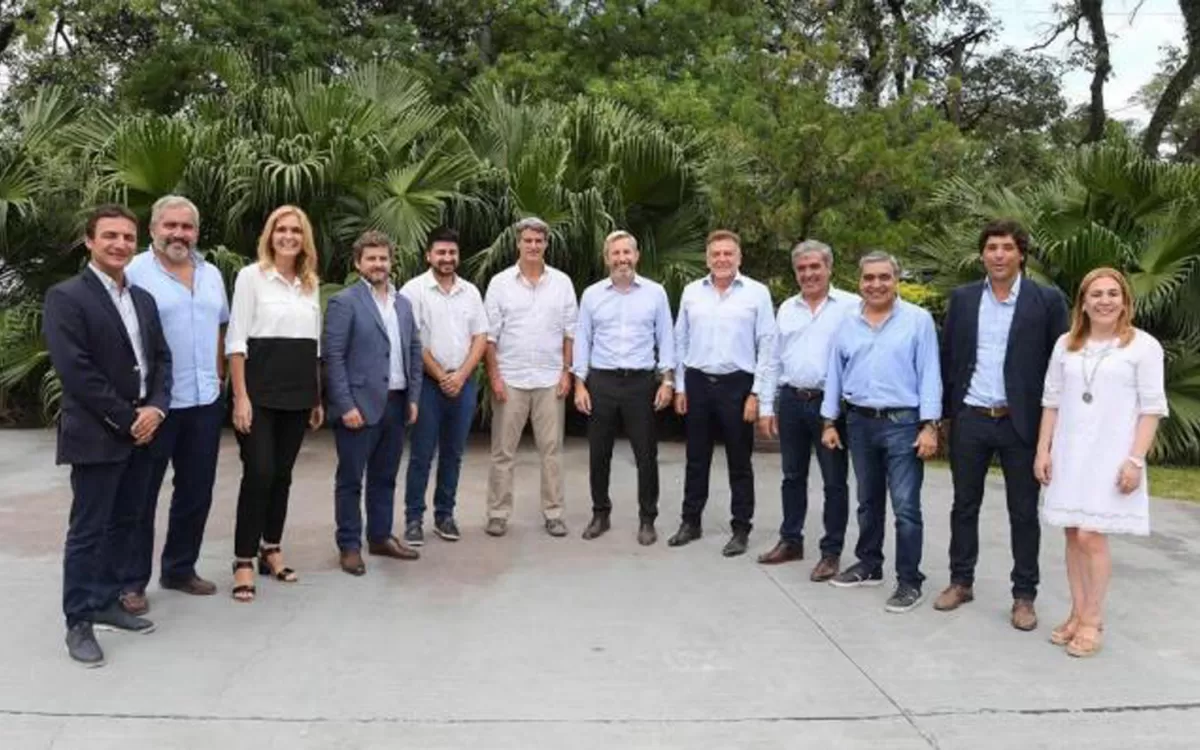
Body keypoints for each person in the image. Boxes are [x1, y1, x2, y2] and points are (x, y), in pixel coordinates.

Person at [43, 204, 172, 666]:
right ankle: (78, 619)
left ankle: (106, 600)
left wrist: (156, 407)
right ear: (89, 241)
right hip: (99, 434)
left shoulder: (143, 300)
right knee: (88, 530)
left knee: (126, 523)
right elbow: (77, 372)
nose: (120, 244)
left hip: (144, 431)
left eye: (127, 237)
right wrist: (127, 418)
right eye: (110, 236)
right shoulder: (66, 297)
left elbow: (161, 360)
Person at [935, 220, 1069, 631]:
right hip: (972, 417)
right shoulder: (963, 299)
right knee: (964, 505)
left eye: (1007, 248)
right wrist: (942, 417)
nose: (998, 255)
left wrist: (1055, 430)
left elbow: (1059, 366)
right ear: (982, 255)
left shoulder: (1047, 301)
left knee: (1024, 512)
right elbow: (949, 358)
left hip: (1020, 423)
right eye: (991, 247)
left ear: (1020, 254)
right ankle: (961, 581)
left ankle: (1024, 596)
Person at [1035, 268, 1167, 657]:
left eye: (1113, 293)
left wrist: (1135, 460)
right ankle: (1077, 613)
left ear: (1125, 300)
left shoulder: (1142, 347)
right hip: (1070, 452)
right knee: (1073, 533)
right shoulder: (1066, 344)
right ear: (1083, 302)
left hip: (1113, 456)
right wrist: (1044, 450)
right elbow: (1051, 401)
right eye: (1096, 294)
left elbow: (1151, 409)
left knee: (1093, 535)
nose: (1105, 301)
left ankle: (1093, 621)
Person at [123, 195, 229, 607]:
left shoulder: (212, 274)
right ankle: (131, 582)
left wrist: (219, 374)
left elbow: (220, 325)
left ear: (197, 233)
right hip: (156, 404)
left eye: (186, 227)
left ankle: (180, 568)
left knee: (196, 491)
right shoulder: (133, 272)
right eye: (170, 226)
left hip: (204, 401)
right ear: (153, 229)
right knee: (141, 495)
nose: (178, 234)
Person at [820, 251, 941, 613]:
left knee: (906, 508)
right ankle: (869, 563)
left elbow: (930, 373)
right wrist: (829, 421)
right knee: (868, 501)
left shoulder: (918, 321)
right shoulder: (847, 322)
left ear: (896, 280)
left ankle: (909, 581)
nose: (876, 284)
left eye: (883, 277)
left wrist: (930, 425)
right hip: (859, 422)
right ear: (859, 282)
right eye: (868, 278)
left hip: (903, 423)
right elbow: (835, 373)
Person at [225, 205, 324, 602]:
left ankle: (271, 548)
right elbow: (235, 341)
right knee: (259, 473)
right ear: (270, 235)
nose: (288, 236)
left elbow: (313, 346)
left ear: (305, 239)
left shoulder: (311, 282)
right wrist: (240, 397)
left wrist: (316, 397)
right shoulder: (252, 277)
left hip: (299, 394)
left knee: (282, 474)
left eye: (295, 231)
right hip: (259, 393)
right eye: (281, 229)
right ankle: (243, 558)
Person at [669, 229, 777, 557]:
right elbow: (680, 341)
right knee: (696, 458)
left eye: (728, 253)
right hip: (699, 382)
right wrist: (680, 386)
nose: (722, 259)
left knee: (739, 461)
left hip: (738, 384)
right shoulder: (691, 292)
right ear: (707, 258)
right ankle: (691, 521)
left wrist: (757, 394)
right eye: (716, 254)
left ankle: (741, 527)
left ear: (739, 257)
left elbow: (767, 347)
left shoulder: (757, 294)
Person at [757, 240, 857, 581]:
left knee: (834, 481)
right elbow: (772, 360)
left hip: (831, 406)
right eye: (802, 268)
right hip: (791, 400)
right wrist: (767, 406)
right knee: (792, 476)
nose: (809, 274)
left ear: (829, 267)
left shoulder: (851, 306)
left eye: (815, 267)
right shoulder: (786, 308)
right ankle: (791, 540)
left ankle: (831, 552)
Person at [324, 231, 423, 575]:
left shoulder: (403, 304)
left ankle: (380, 536)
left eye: (383, 258)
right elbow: (333, 357)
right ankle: (349, 545)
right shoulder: (344, 302)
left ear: (391, 262)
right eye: (371, 258)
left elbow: (413, 350)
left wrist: (413, 397)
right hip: (358, 405)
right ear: (358, 263)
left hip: (396, 403)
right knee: (351, 479)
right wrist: (346, 405)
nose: (378, 264)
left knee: (385, 476)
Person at [572, 230, 676, 545]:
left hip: (641, 383)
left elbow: (666, 338)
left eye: (626, 253)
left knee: (646, 454)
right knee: (598, 453)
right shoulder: (591, 295)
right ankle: (600, 514)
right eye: (615, 254)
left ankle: (648, 519)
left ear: (636, 255)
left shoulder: (655, 293)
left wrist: (667, 380)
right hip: (601, 381)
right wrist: (580, 384)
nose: (622, 259)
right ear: (607, 259)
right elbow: (582, 339)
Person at [483, 217, 579, 538]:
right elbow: (490, 337)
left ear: (546, 244)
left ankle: (554, 513)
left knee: (551, 451)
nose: (533, 246)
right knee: (503, 452)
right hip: (510, 377)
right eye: (528, 241)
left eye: (539, 241)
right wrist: (494, 377)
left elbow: (570, 333)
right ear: (518, 243)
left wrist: (567, 373)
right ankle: (498, 513)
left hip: (551, 379)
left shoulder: (562, 283)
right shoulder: (499, 284)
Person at [400, 227, 488, 546]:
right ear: (429, 255)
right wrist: (441, 376)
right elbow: (414, 342)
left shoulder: (471, 292)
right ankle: (413, 519)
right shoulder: (413, 291)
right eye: (441, 253)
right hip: (427, 384)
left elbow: (480, 337)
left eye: (452, 253)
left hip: (463, 382)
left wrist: (462, 375)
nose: (447, 258)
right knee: (422, 454)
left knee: (454, 453)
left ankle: (445, 515)